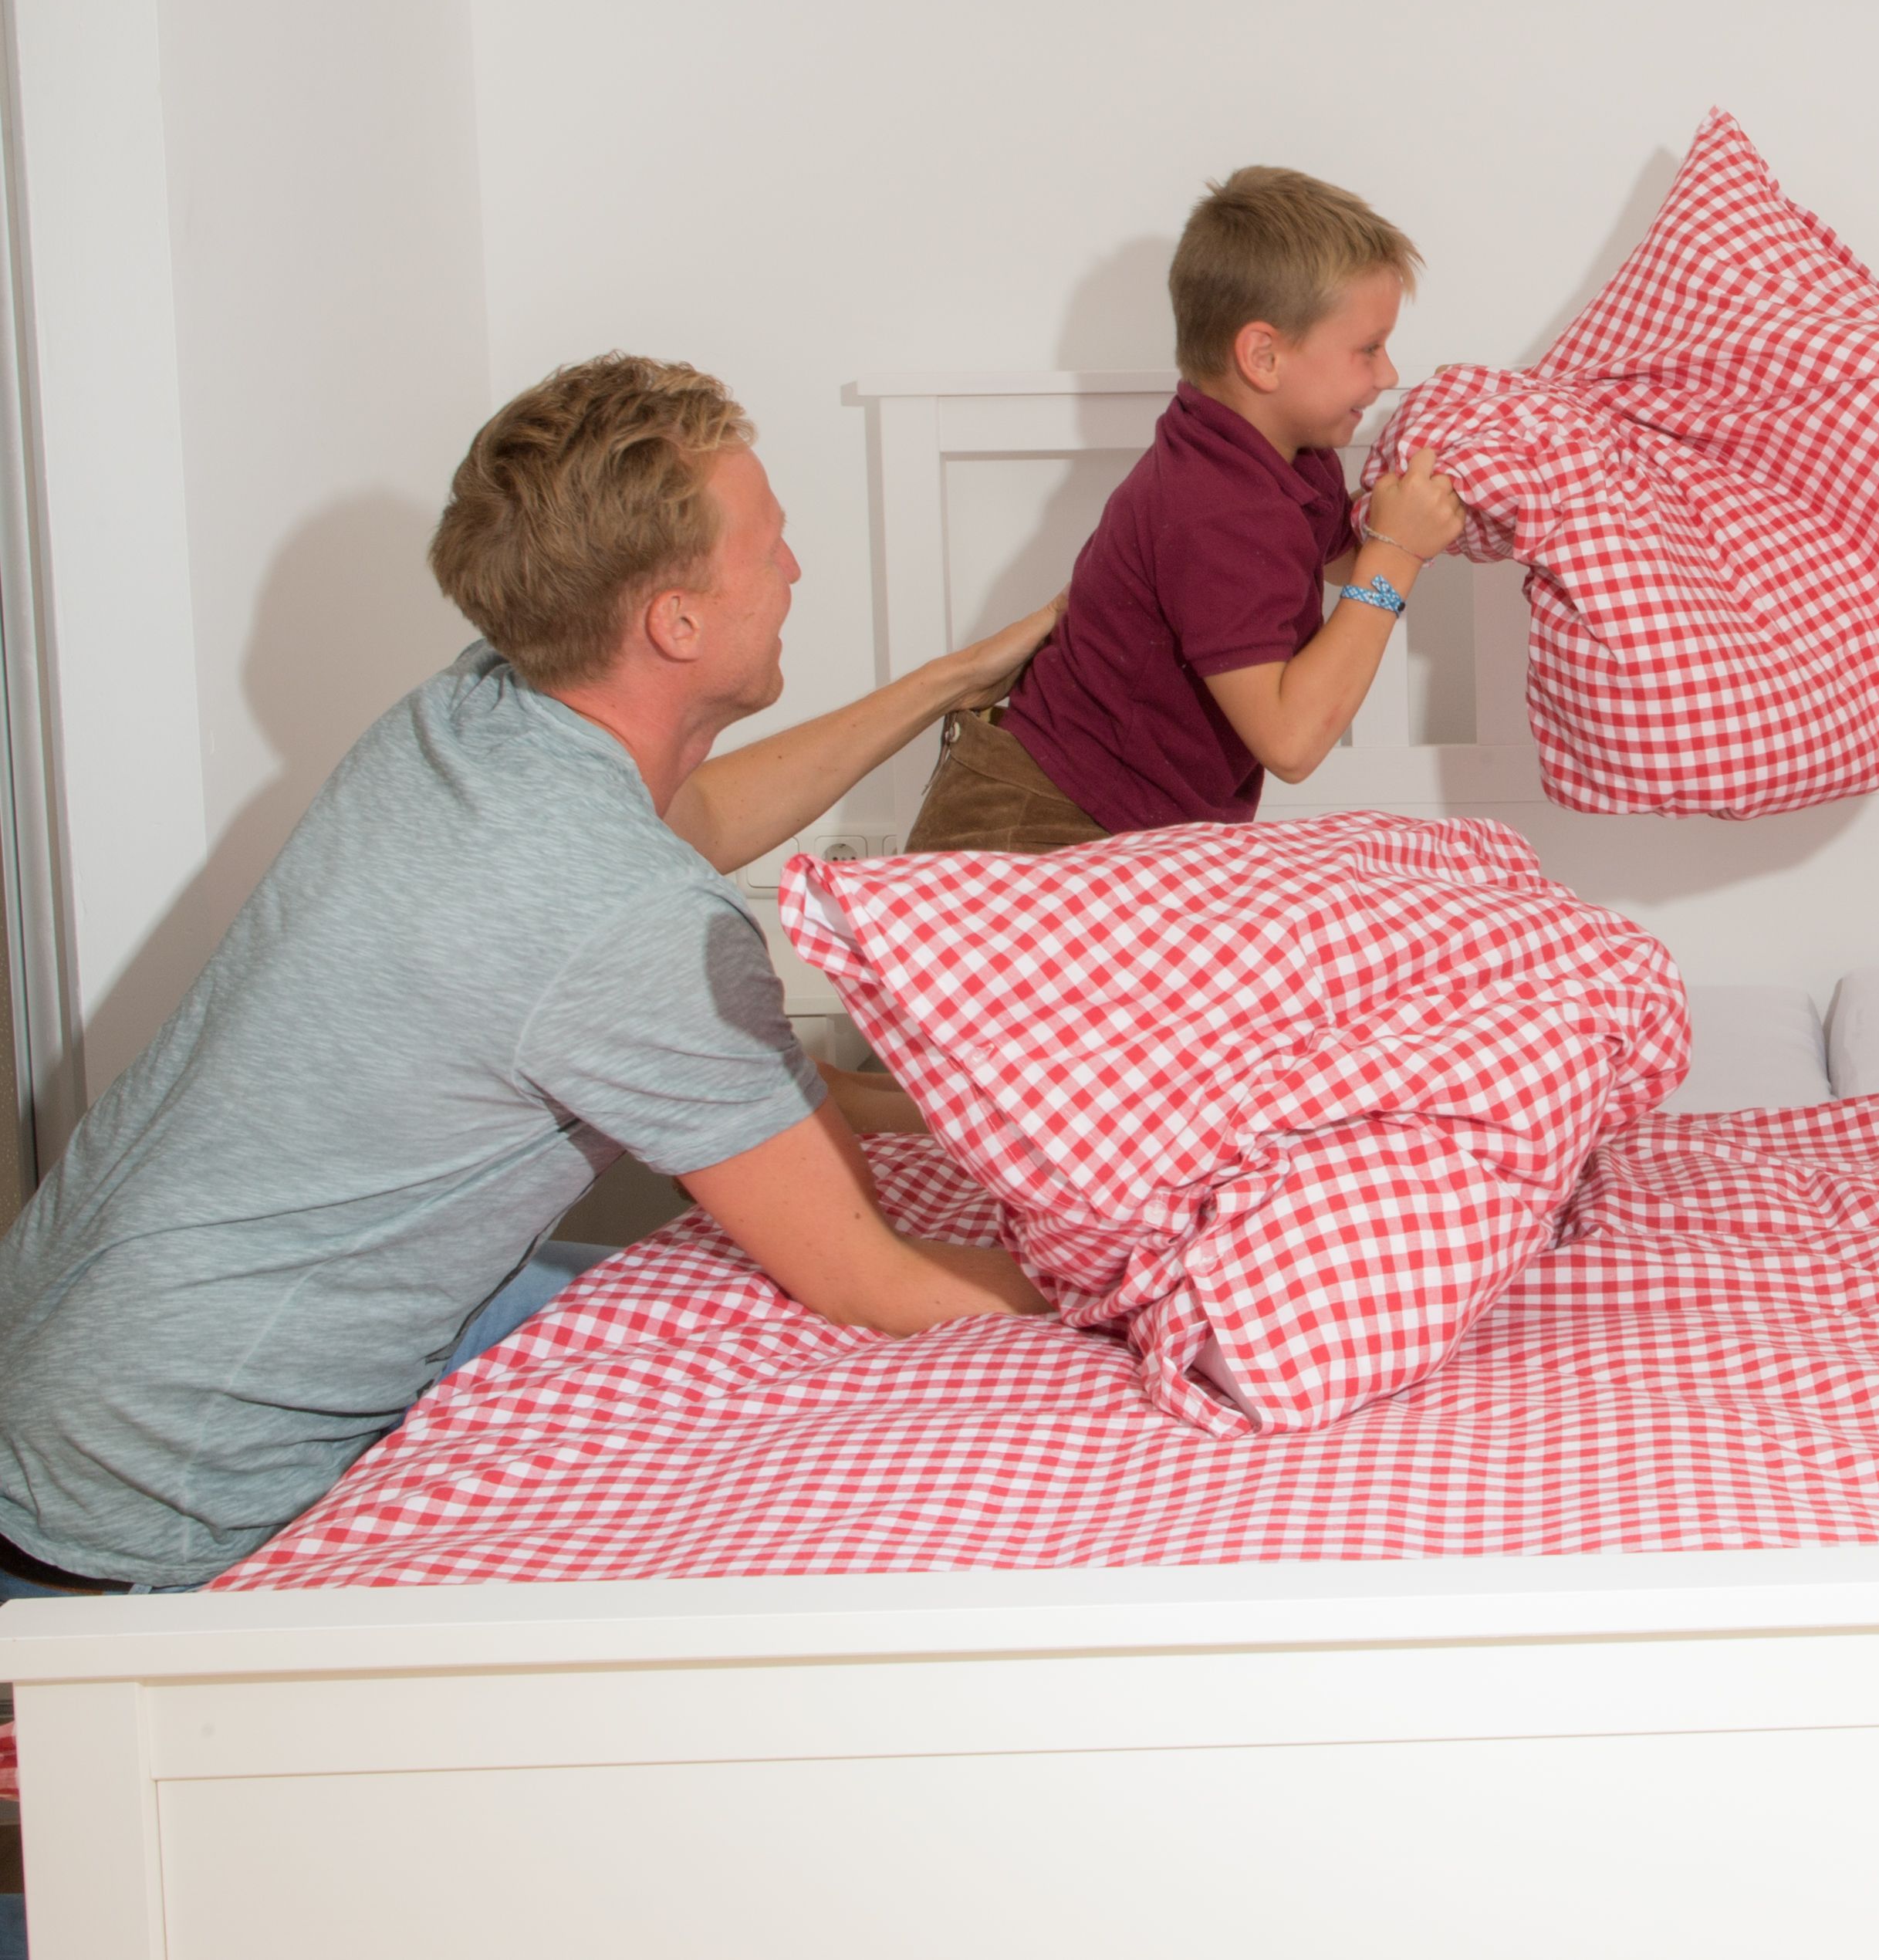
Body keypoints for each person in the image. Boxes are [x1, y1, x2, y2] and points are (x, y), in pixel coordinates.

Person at [0, 356, 1058, 1597]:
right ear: (676, 623)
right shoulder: (637, 925)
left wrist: (952, 679)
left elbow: (688, 813)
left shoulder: (469, 716)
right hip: (144, 1509)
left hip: (61, 1375)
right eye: (768, 547)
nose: (793, 570)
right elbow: (873, 1277)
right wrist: (1155, 1285)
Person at [908, 167, 1468, 852]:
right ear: (1263, 357)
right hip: (1032, 826)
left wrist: (1413, 516)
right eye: (1368, 348)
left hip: (1128, 825)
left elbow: (1335, 560)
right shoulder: (1215, 507)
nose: (1386, 374)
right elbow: (1291, 743)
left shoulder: (1282, 452)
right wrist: (1398, 556)